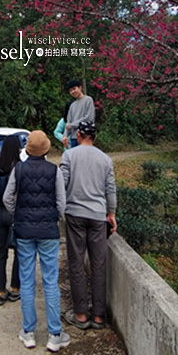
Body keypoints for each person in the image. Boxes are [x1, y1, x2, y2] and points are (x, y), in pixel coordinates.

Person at [3, 129, 70, 352]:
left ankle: (29, 332)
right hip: (49, 232)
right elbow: (61, 203)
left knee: (27, 281)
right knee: (51, 282)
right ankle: (54, 334)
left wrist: (18, 215)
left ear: (28, 149)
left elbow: (7, 198)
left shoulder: (18, 169)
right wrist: (54, 218)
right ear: (46, 149)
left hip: (24, 233)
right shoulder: (54, 170)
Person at [59, 120, 117, 330]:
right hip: (98, 216)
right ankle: (99, 316)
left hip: (75, 214)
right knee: (98, 264)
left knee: (76, 263)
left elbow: (62, 184)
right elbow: (110, 188)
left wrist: (60, 207)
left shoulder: (69, 155)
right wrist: (111, 213)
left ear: (79, 135)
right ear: (94, 136)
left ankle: (81, 314)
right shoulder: (105, 159)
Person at [0, 134, 21, 306]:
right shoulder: (19, 167)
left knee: (1, 253)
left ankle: (0, 291)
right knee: (19, 252)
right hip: (14, 215)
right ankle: (15, 288)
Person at [62, 79, 95, 149]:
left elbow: (89, 118)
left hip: (86, 137)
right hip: (74, 138)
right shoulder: (72, 105)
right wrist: (64, 136)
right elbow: (68, 123)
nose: (73, 92)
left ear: (80, 88)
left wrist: (72, 125)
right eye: (70, 90)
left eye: (74, 89)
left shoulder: (88, 100)